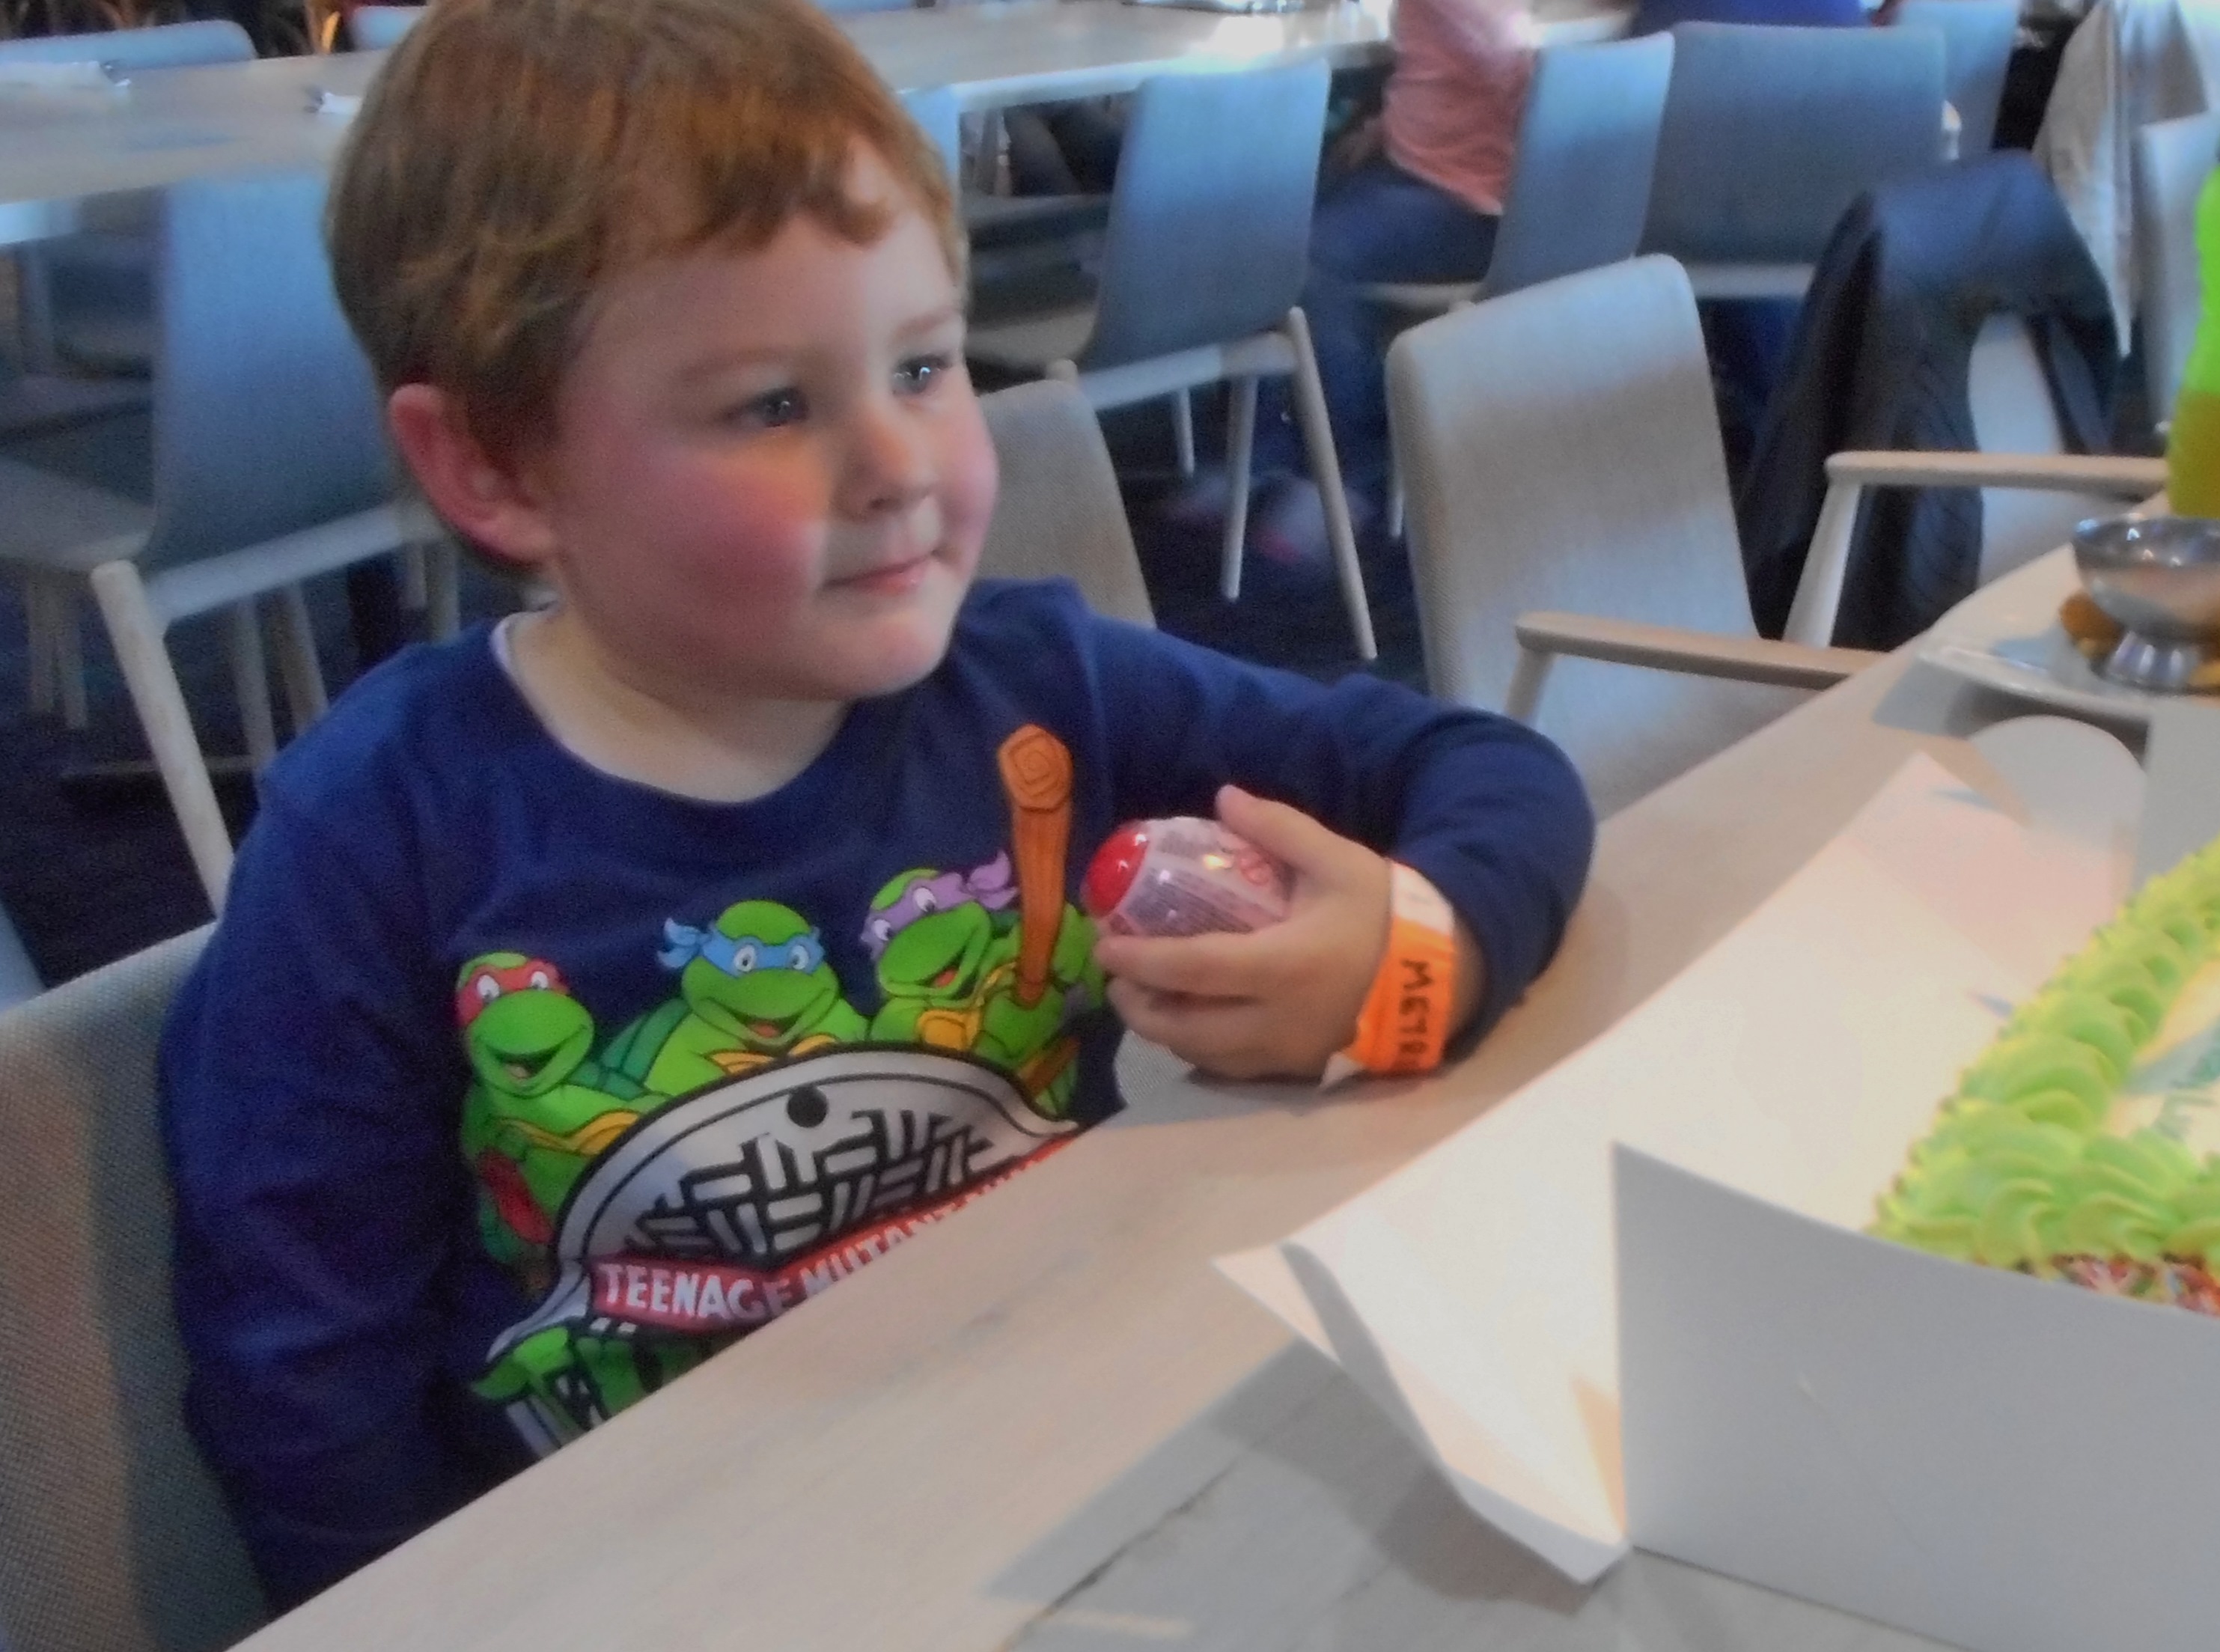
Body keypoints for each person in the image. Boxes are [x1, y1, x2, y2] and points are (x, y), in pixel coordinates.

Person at [157, 0, 1595, 1609]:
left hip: (1064, 1485)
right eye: (773, 405)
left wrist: (1412, 962)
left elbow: (1488, 773)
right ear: (498, 465)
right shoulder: (381, 832)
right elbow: (303, 1379)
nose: (900, 461)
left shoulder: (1040, 685)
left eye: (923, 364)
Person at [1294, 0, 1534, 509]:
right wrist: (1386, 124)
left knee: (1308, 257)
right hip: (1423, 174)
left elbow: (1514, 63)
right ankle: (1271, 457)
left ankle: (1352, 472)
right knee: (1273, 225)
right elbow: (1449, 72)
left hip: (1470, 208)